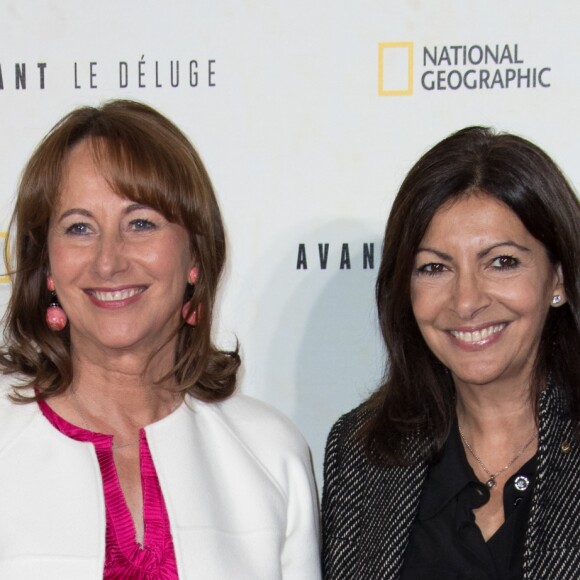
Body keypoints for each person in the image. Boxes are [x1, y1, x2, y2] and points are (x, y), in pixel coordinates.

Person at [0, 100, 321, 579]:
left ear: (194, 255)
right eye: (80, 228)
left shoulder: (272, 455)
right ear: (47, 266)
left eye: (141, 223)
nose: (108, 261)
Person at [322, 126, 580, 579]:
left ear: (557, 278)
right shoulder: (364, 452)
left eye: (501, 262)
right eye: (435, 268)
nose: (466, 302)